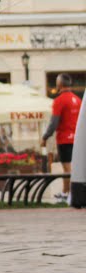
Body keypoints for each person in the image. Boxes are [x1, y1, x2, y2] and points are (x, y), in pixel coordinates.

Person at [43, 74, 81, 203]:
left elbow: (54, 122)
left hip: (65, 139)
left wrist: (45, 136)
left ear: (59, 84)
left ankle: (69, 194)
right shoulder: (77, 100)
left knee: (67, 168)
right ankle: (68, 192)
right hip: (77, 138)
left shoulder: (59, 100)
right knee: (75, 167)